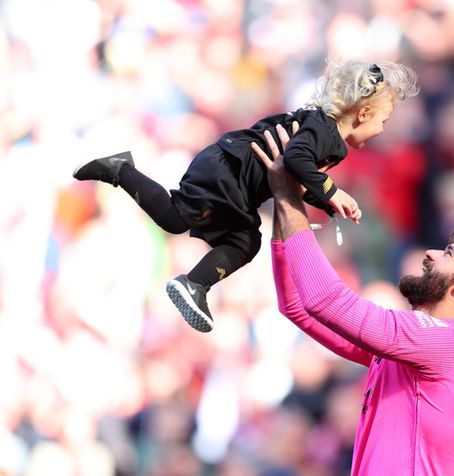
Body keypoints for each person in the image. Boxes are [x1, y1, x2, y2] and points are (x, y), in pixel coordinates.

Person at [72, 59, 419, 332]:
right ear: (364, 114)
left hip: (232, 176)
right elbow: (296, 160)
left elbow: (296, 174)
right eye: (384, 121)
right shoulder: (325, 133)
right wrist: (331, 190)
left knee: (230, 237)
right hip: (229, 170)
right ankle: (122, 173)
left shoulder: (329, 140)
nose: (383, 130)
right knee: (193, 224)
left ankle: (195, 283)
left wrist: (325, 199)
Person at [256, 125, 454, 475]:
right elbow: (299, 306)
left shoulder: (444, 341)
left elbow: (324, 300)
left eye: (447, 253)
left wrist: (291, 197)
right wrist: (283, 200)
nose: (429, 254)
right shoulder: (425, 351)